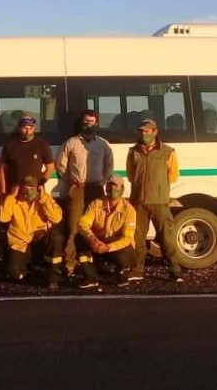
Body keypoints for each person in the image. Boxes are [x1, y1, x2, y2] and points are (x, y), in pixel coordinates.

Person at [55, 110, 113, 276]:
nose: (89, 124)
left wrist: (103, 180)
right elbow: (61, 166)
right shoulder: (71, 143)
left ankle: (96, 259)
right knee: (73, 226)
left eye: (92, 121)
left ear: (97, 123)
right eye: (86, 121)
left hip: (96, 189)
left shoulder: (103, 144)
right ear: (82, 123)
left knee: (97, 225)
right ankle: (70, 263)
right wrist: (71, 181)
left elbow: (109, 165)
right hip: (78, 188)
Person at [126, 118, 184, 282]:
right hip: (138, 203)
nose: (144, 134)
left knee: (166, 238)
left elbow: (173, 176)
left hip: (159, 202)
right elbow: (131, 175)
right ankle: (137, 270)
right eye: (142, 131)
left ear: (155, 132)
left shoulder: (168, 151)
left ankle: (175, 270)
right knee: (137, 239)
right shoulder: (133, 152)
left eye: (147, 131)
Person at [0, 175, 64, 289]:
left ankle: (52, 277)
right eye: (25, 188)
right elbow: (1, 218)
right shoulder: (13, 200)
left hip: (40, 242)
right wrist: (11, 196)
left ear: (38, 188)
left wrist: (43, 199)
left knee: (56, 237)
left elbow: (57, 218)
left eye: (32, 188)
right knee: (13, 271)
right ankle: (31, 273)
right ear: (20, 188)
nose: (29, 191)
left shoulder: (45, 199)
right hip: (21, 243)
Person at [75, 174, 137, 289]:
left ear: (122, 189)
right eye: (109, 186)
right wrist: (91, 238)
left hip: (115, 246)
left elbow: (127, 238)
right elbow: (83, 223)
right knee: (79, 238)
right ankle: (90, 276)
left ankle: (122, 273)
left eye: (116, 187)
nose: (112, 189)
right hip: (98, 242)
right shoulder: (96, 204)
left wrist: (108, 247)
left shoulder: (129, 210)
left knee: (127, 249)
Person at [0, 113, 55, 195]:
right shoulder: (10, 145)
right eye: (25, 128)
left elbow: (50, 168)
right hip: (15, 192)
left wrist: (41, 183)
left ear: (34, 128)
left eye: (31, 128)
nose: (28, 131)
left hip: (35, 191)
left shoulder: (42, 144)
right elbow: (3, 170)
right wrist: (3, 190)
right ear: (19, 127)